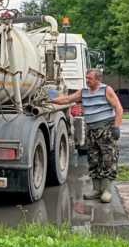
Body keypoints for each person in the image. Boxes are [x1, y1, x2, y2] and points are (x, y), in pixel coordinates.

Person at [51, 69, 124, 203]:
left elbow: (118, 108)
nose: (87, 80)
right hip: (91, 131)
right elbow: (68, 99)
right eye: (86, 77)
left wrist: (117, 127)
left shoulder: (106, 90)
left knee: (107, 159)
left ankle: (107, 190)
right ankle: (96, 190)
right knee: (93, 159)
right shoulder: (84, 92)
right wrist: (51, 100)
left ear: (98, 79)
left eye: (89, 78)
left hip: (105, 130)